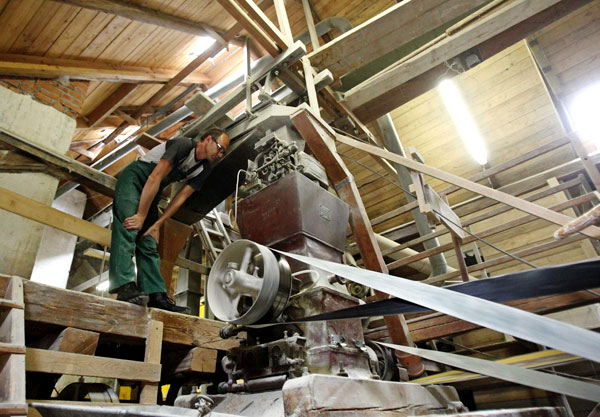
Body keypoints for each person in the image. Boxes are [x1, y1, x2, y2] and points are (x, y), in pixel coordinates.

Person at [108, 128, 230, 312]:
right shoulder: (183, 145)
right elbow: (154, 176)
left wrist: (157, 224)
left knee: (148, 240)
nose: (220, 154)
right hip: (136, 179)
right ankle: (124, 286)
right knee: (129, 226)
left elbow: (180, 198)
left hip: (153, 190)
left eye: (223, 152)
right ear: (207, 139)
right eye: (220, 148)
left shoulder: (203, 168)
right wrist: (141, 215)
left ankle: (155, 294)